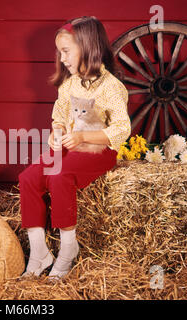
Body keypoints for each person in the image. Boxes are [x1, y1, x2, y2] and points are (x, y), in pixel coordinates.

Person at [19, 16, 131, 279]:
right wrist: (57, 132)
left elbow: (122, 128)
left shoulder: (111, 87)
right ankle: (39, 252)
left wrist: (82, 138)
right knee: (29, 178)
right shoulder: (69, 84)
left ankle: (68, 248)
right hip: (70, 148)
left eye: (67, 51)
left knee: (59, 176)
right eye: (60, 52)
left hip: (98, 151)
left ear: (88, 47)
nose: (63, 58)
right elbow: (59, 116)